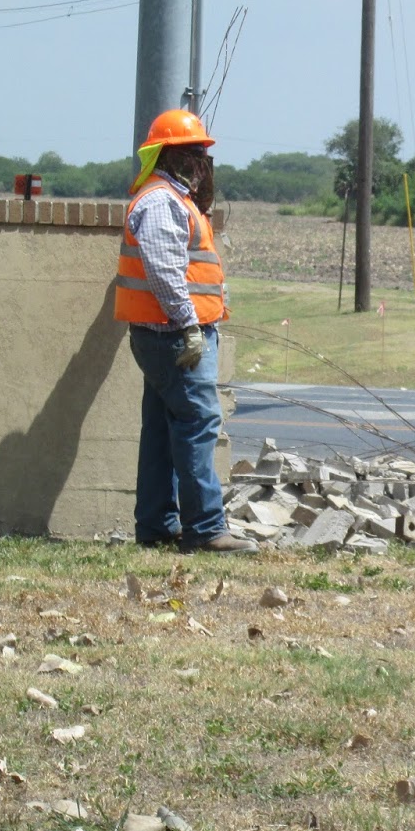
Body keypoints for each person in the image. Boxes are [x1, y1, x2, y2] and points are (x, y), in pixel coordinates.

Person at [114, 108, 257, 554]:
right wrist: (189, 325)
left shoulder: (174, 201)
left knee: (162, 428)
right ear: (168, 156)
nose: (201, 161)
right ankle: (206, 530)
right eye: (193, 153)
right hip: (174, 335)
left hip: (163, 334)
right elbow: (163, 272)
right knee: (197, 424)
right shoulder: (162, 203)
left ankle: (157, 524)